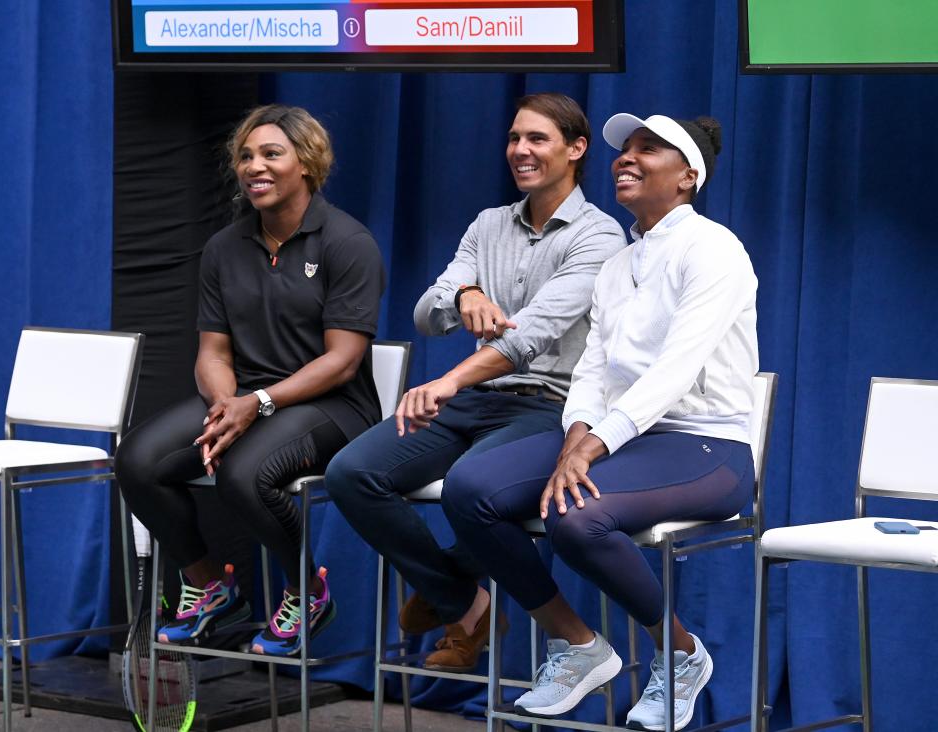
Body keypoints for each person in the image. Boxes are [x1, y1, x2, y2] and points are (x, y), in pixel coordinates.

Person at [441, 114, 759, 730]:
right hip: (621, 436)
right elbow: (593, 369)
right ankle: (578, 645)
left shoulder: (715, 248)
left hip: (708, 446)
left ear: (688, 177)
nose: (626, 158)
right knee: (471, 489)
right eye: (624, 149)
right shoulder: (618, 265)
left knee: (577, 515)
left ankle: (682, 655)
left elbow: (673, 369)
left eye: (649, 150)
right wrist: (579, 432)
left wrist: (588, 446)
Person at [324, 93, 625, 671]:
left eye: (537, 139)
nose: (520, 150)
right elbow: (425, 312)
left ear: (576, 148)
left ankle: (459, 592)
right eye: (514, 138)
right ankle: (463, 600)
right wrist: (465, 294)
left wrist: (447, 381)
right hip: (478, 397)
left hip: (551, 407)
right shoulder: (488, 225)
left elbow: (528, 338)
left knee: (471, 486)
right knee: (352, 473)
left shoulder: (599, 236)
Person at [116, 104, 386, 658]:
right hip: (246, 398)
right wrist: (224, 406)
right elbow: (212, 351)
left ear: (307, 164)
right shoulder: (223, 247)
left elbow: (343, 360)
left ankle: (307, 592)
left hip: (333, 405)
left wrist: (256, 404)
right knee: (139, 461)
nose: (253, 166)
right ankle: (208, 584)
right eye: (245, 155)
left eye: (271, 153)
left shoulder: (347, 242)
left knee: (244, 474)